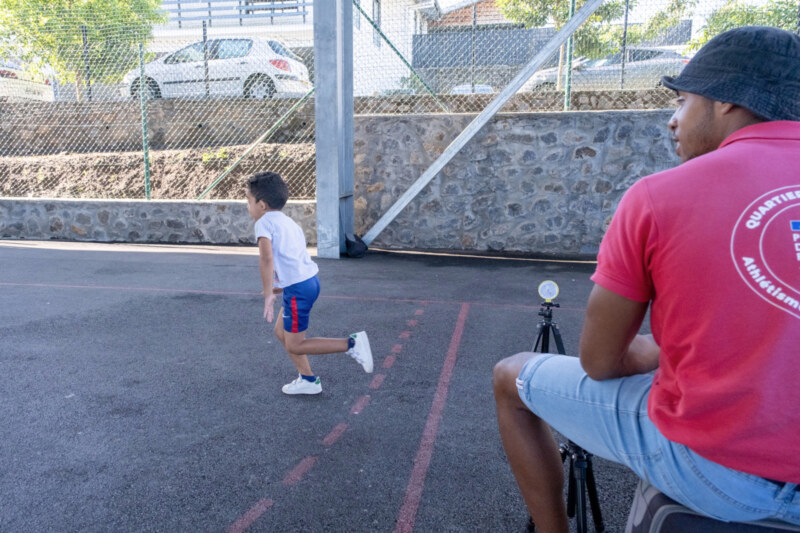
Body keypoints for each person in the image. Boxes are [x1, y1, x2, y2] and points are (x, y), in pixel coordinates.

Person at [493, 25, 800, 532]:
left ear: (726, 100)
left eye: (682, 101)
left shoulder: (659, 195)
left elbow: (600, 361)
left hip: (720, 475)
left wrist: (662, 351)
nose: (674, 121)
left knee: (511, 376)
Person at [245, 171, 373, 395]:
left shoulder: (264, 223)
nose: (247, 206)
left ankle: (351, 344)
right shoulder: (287, 222)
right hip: (307, 282)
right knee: (281, 332)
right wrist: (280, 285)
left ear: (262, 205)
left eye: (248, 200)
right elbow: (292, 259)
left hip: (299, 290)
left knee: (295, 343)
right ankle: (307, 379)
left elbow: (266, 258)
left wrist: (268, 294)